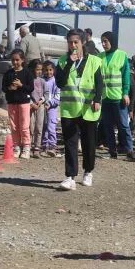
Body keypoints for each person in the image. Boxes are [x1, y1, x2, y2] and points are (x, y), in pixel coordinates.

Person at [57, 29, 104, 190]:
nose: (73, 45)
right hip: (69, 109)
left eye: (76, 42)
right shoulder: (62, 61)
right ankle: (70, 176)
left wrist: (97, 99)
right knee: (70, 143)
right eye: (70, 42)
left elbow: (99, 83)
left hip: (88, 109)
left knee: (88, 143)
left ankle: (88, 171)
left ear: (83, 42)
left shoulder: (95, 61)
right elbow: (60, 83)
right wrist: (69, 63)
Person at [99, 31, 135, 161]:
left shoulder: (122, 55)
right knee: (107, 126)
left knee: (123, 125)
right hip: (105, 97)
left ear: (112, 41)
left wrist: (125, 93)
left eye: (106, 41)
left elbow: (125, 77)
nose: (103, 44)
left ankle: (129, 150)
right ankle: (112, 151)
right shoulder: (99, 56)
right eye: (102, 41)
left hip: (118, 97)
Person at [2, 49, 34, 159]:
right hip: (12, 103)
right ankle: (16, 147)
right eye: (13, 60)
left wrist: (21, 85)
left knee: (24, 126)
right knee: (14, 126)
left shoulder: (27, 73)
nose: (15, 62)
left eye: (17, 60)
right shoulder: (8, 73)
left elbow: (31, 88)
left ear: (22, 60)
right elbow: (3, 88)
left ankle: (26, 147)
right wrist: (10, 88)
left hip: (24, 103)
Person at [41, 61, 61, 157]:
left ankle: (52, 146)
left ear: (54, 70)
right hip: (42, 107)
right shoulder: (42, 81)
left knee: (51, 127)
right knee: (43, 127)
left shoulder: (56, 82)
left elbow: (58, 96)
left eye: (50, 70)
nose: (48, 72)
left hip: (52, 108)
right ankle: (44, 146)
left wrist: (50, 103)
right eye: (46, 70)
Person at [28, 59, 46, 158]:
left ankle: (37, 148)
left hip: (40, 106)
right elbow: (26, 93)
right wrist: (31, 103)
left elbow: (46, 93)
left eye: (41, 69)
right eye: (37, 69)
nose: (39, 71)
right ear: (32, 69)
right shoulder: (28, 80)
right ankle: (29, 147)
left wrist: (40, 101)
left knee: (39, 127)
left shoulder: (42, 81)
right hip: (30, 107)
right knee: (30, 127)